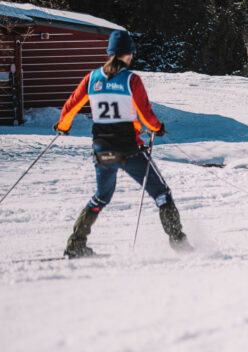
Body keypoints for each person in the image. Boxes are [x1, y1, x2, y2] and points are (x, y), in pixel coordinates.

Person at [53, 30, 192, 257]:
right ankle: (179, 243)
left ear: (109, 52)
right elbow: (145, 114)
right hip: (129, 152)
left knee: (101, 197)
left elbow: (71, 105)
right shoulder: (131, 80)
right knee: (161, 193)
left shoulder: (92, 78)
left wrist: (63, 126)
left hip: (103, 152)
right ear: (128, 54)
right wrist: (156, 128)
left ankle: (76, 243)